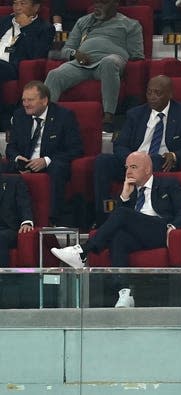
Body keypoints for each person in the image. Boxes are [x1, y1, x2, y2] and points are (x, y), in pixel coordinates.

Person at [51, 151, 181, 308]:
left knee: (122, 213)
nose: (128, 172)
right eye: (126, 168)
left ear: (147, 169)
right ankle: (125, 292)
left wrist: (172, 228)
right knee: (118, 237)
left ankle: (83, 251)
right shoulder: (130, 190)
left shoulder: (168, 183)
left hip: (161, 230)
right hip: (138, 235)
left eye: (133, 167)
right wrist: (124, 196)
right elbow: (115, 222)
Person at [93, 75, 181, 227]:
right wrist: (133, 160)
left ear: (170, 94)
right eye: (149, 92)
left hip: (160, 162)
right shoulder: (135, 114)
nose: (152, 97)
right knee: (102, 161)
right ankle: (102, 219)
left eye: (158, 93)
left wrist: (174, 155)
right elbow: (120, 145)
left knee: (153, 160)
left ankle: (135, 217)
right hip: (132, 160)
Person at [44, 0, 144, 132]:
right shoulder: (83, 22)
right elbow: (65, 50)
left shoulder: (130, 24)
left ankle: (108, 117)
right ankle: (45, 119)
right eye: (96, 2)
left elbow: (136, 55)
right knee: (54, 75)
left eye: (103, 3)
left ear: (115, 4)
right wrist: (75, 55)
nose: (97, 6)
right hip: (81, 63)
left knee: (109, 62)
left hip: (109, 62)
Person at [5, 81, 83, 225]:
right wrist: (18, 159)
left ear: (44, 100)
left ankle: (51, 220)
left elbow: (76, 149)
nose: (26, 104)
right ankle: (7, 221)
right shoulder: (19, 116)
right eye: (23, 100)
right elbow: (10, 148)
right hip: (25, 163)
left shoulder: (64, 116)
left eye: (30, 100)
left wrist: (46, 160)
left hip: (52, 163)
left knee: (57, 168)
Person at [0, 0, 54, 105]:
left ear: (36, 7)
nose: (17, 7)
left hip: (14, 67)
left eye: (23, 4)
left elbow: (36, 54)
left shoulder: (44, 28)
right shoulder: (5, 21)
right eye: (15, 3)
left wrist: (26, 28)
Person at [0, 174, 34, 266]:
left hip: (8, 229)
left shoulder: (14, 181)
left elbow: (24, 204)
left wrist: (26, 221)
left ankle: (3, 278)